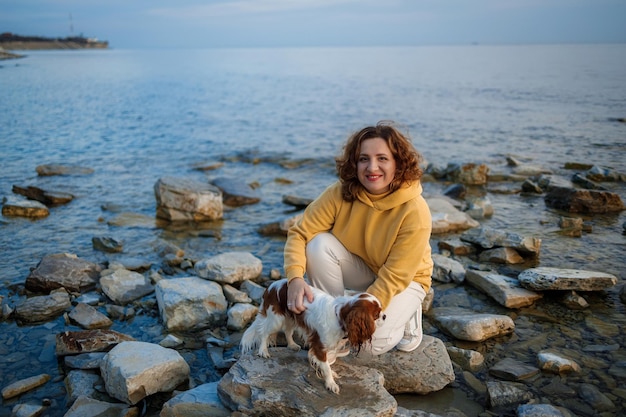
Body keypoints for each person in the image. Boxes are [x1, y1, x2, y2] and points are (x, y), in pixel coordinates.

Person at [284, 121, 433, 357]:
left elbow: (396, 275)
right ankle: (330, 322)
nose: (372, 167)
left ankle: (410, 314)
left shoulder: (415, 209)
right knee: (318, 245)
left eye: (382, 158)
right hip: (364, 267)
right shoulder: (340, 192)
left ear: (398, 162)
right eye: (364, 158)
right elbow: (300, 233)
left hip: (406, 279)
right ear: (355, 162)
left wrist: (363, 313)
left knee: (367, 346)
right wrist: (294, 279)